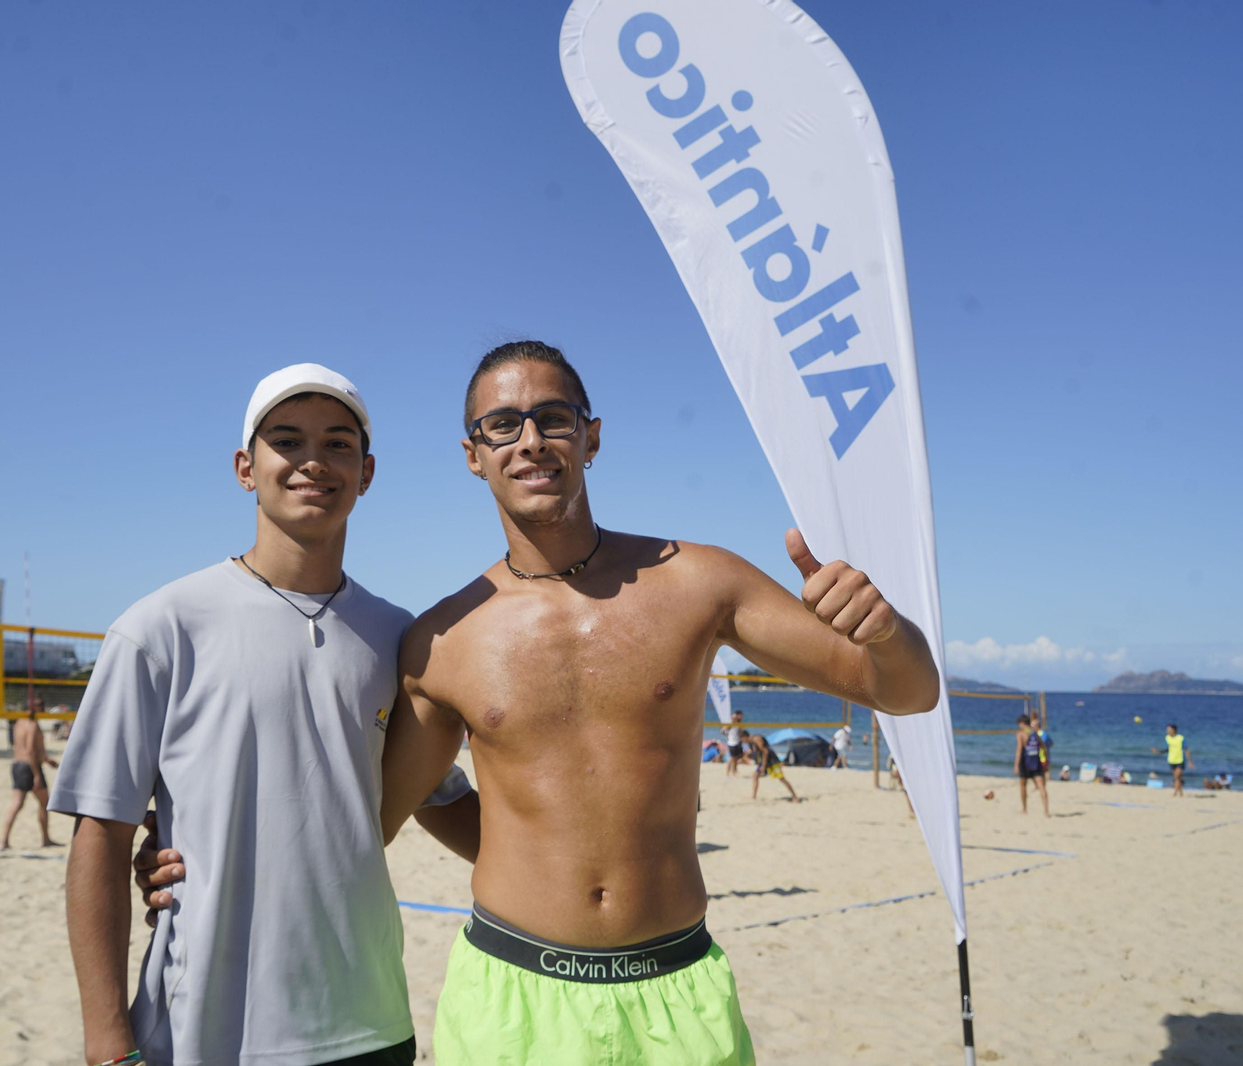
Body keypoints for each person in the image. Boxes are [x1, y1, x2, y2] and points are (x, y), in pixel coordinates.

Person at [375, 342, 938, 1065]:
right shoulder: (443, 639)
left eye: (554, 418)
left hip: (675, 991)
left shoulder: (701, 584)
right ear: (472, 454)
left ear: (592, 436)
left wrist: (887, 633)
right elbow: (389, 811)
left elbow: (908, 691)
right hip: (510, 996)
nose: (531, 441)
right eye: (503, 425)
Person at [52, 365, 477, 1066]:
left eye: (339, 443)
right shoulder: (160, 628)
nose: (314, 460)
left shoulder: (401, 638)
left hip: (372, 1022)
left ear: (367, 473)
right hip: (204, 1033)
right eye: (287, 440)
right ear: (246, 468)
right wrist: (106, 1044)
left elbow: (442, 799)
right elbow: (99, 837)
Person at [1, 696, 60, 850]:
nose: (43, 708)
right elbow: (30, 750)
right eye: (41, 705)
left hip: (17, 765)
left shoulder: (19, 723)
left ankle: (4, 840)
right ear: (33, 707)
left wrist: (46, 759)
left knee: (17, 804)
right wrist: (37, 774)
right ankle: (46, 840)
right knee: (43, 803)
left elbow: (27, 749)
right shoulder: (32, 724)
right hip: (30, 767)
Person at [745, 731, 799, 802]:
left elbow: (766, 751)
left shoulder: (757, 739)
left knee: (782, 778)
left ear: (744, 737)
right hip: (764, 761)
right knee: (755, 776)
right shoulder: (751, 742)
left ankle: (795, 797)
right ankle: (754, 796)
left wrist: (763, 765)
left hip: (771, 761)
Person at [1014, 714, 1050, 816]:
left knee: (1023, 786)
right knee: (1041, 787)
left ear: (1021, 724)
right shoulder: (1035, 733)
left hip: (1025, 762)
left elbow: (1019, 750)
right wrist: (1046, 762)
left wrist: (1016, 766)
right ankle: (1046, 811)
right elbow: (1044, 747)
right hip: (1035, 761)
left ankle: (1024, 809)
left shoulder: (1021, 734)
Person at [1151, 723, 1191, 796]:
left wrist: (1189, 761)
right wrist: (1158, 751)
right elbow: (1168, 749)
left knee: (1178, 776)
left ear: (1174, 730)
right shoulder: (1167, 738)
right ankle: (1181, 791)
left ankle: (1176, 792)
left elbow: (1186, 749)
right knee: (1177, 777)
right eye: (1167, 729)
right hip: (1171, 760)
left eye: (1169, 729)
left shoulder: (1180, 738)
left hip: (1180, 760)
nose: (1167, 731)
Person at [723, 709, 746, 776]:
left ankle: (734, 770)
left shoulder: (738, 724)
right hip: (731, 743)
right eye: (734, 717)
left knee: (737, 757)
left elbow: (740, 733)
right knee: (732, 758)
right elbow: (722, 731)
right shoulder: (730, 724)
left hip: (737, 742)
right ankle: (728, 772)